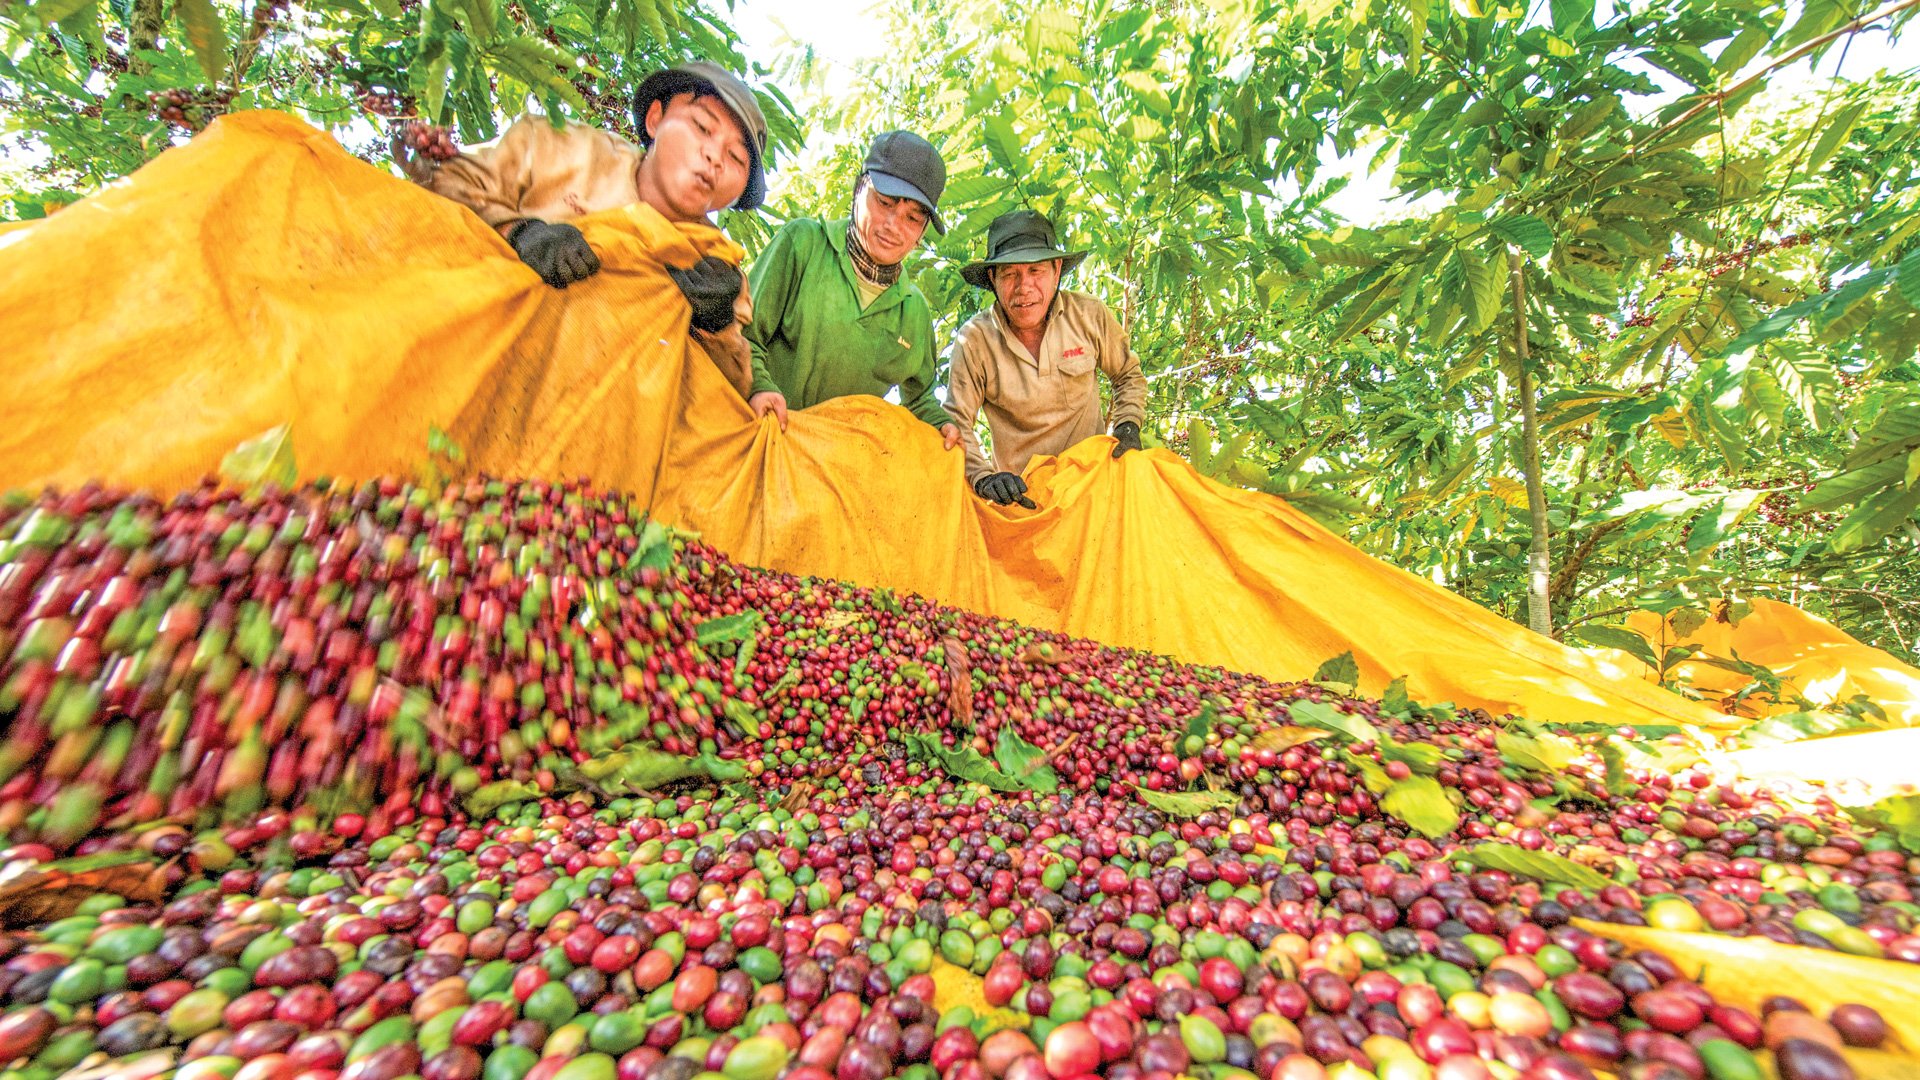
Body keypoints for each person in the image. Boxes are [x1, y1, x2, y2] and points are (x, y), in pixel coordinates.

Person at [392, 62, 767, 397]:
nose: (715, 157)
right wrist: (517, 232)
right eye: (702, 127)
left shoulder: (719, 267)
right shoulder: (556, 146)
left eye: (735, 157)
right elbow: (445, 185)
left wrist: (716, 329)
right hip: (469, 374)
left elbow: (727, 398)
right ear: (655, 119)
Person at [741, 131, 962, 448]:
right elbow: (742, 334)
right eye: (884, 203)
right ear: (859, 189)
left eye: (912, 218)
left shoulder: (914, 311)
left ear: (922, 231)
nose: (893, 225)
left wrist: (941, 425)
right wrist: (758, 386)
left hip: (837, 474)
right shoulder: (801, 244)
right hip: (759, 437)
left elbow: (920, 401)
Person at [945, 209, 1147, 508]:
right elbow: (955, 422)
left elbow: (1128, 374)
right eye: (1010, 274)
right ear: (993, 278)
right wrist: (984, 477)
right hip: (1022, 501)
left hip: (1091, 489)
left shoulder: (1088, 315)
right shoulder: (975, 340)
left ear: (1055, 271)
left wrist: (1128, 424)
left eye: (1035, 271)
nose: (1023, 287)